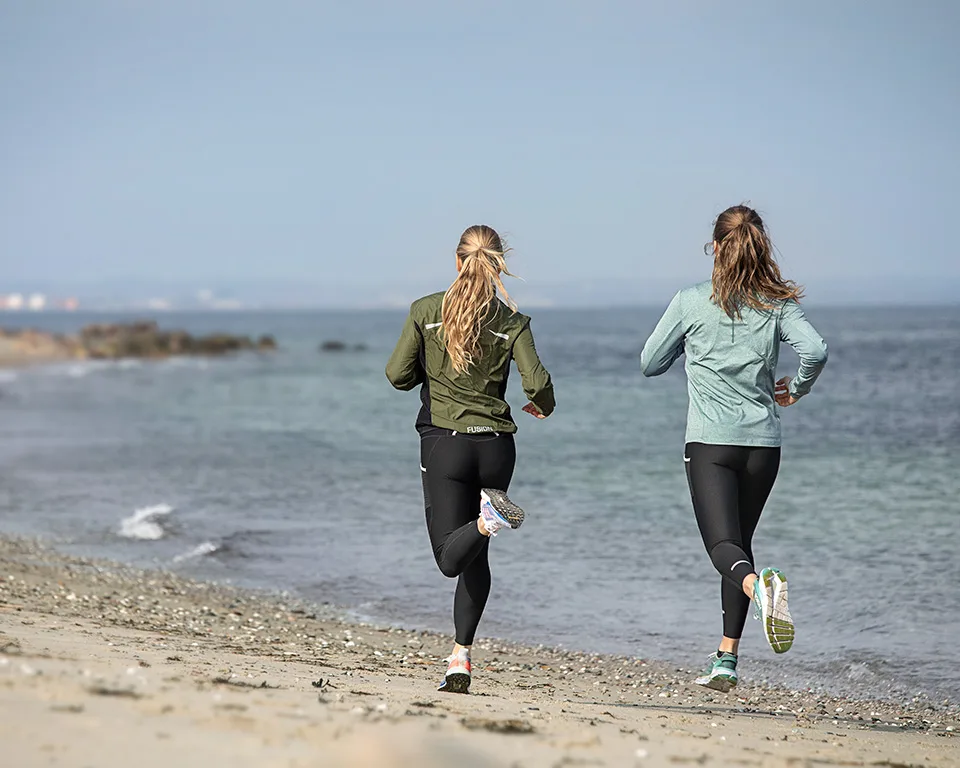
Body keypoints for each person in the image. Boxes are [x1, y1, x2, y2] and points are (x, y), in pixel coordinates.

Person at [640, 204, 828, 692]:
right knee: (740, 545)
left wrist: (689, 346)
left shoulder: (691, 301)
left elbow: (650, 362)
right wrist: (798, 388)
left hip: (711, 444)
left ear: (717, 248)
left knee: (723, 549)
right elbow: (816, 350)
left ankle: (758, 592)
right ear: (760, 248)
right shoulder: (778, 305)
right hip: (764, 446)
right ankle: (726, 657)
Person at [386, 224, 555, 694]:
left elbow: (397, 375)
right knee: (476, 556)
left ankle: (485, 521)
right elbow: (537, 382)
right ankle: (460, 658)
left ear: (458, 261)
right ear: (498, 264)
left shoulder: (426, 310)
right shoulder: (513, 320)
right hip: (497, 447)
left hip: (445, 444)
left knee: (449, 556)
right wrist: (545, 405)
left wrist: (432, 367)